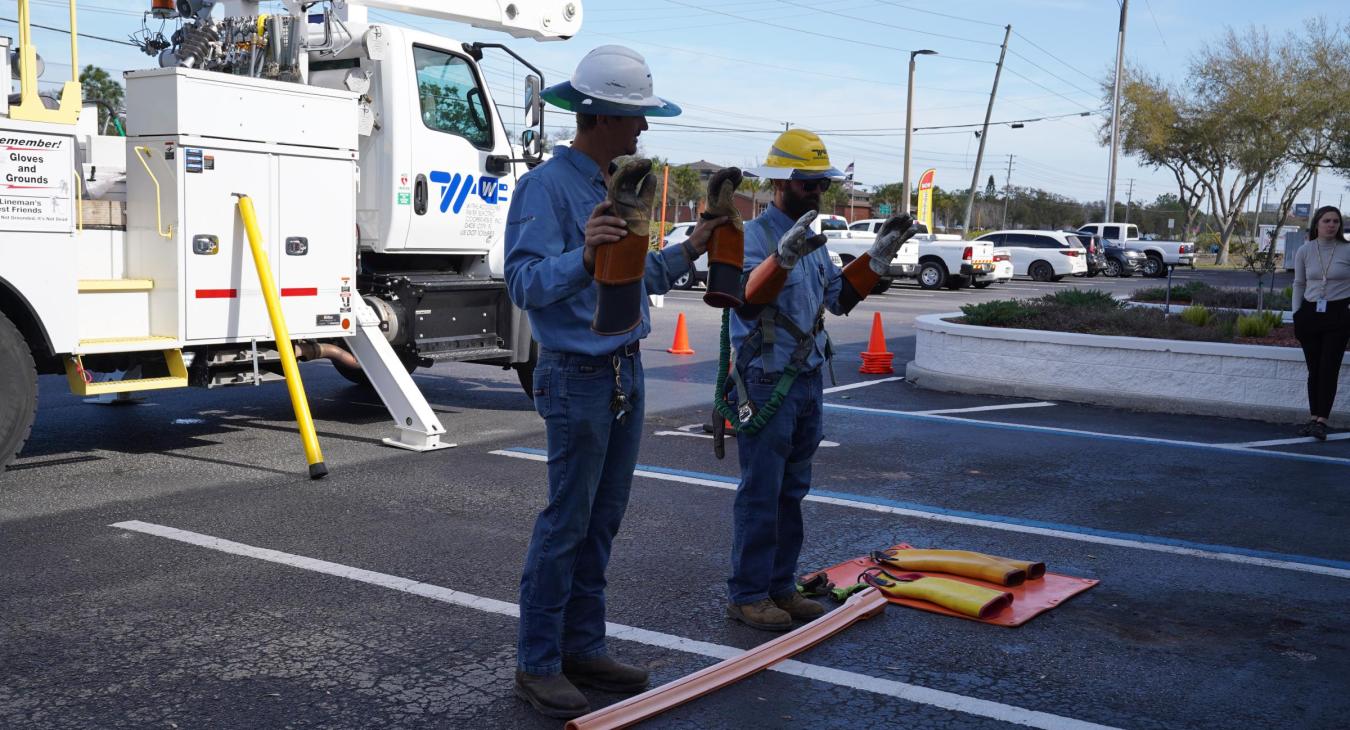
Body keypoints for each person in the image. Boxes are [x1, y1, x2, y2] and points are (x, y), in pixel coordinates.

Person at [503, 45, 727, 720]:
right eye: (634, 117)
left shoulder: (621, 185)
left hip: (621, 372)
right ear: (599, 115)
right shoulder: (546, 188)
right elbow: (523, 284)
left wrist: (691, 248)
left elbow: (635, 279)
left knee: (602, 522)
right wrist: (582, 253)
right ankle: (539, 663)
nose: (643, 130)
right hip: (576, 375)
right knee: (567, 523)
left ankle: (583, 647)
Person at [717, 129, 918, 631]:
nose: (818, 192)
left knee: (792, 491)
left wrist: (877, 257)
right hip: (766, 380)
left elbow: (837, 299)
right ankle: (747, 595)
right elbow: (745, 299)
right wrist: (781, 260)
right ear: (782, 183)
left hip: (804, 378)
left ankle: (780, 588)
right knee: (761, 492)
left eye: (821, 185)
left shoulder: (813, 238)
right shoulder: (754, 236)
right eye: (809, 183)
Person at [1291, 205, 1350, 440]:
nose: (1331, 225)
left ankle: (1322, 420)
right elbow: (1299, 284)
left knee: (1328, 368)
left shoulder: (1347, 250)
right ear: (1317, 224)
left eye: (1336, 221)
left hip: (1338, 315)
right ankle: (1313, 416)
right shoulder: (1305, 250)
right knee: (1314, 368)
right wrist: (1297, 314)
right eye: (1327, 221)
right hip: (1310, 313)